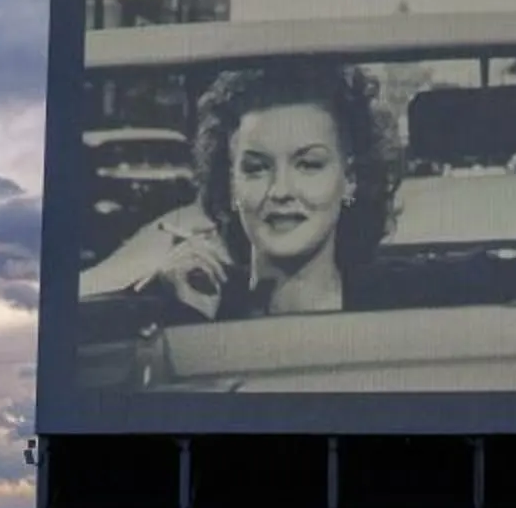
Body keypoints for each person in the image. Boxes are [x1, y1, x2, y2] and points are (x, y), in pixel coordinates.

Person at [77, 61, 398, 319]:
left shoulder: (393, 318)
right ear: (230, 182)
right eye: (256, 168)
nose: (280, 190)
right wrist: (187, 314)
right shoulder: (189, 303)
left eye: (308, 165)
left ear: (350, 178)